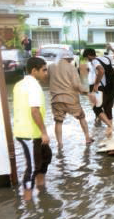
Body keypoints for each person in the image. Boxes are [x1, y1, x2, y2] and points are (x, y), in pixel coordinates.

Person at [13, 57, 52, 201]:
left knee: (46, 156)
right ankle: (28, 202)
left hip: (29, 132)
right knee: (33, 166)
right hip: (29, 133)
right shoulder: (34, 86)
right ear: (34, 71)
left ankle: (41, 187)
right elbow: (34, 111)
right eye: (44, 70)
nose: (46, 73)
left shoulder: (19, 84)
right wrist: (44, 133)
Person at [48, 50, 93, 147]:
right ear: (68, 58)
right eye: (71, 59)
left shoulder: (51, 67)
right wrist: (87, 92)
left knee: (58, 121)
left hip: (56, 99)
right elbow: (76, 85)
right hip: (70, 99)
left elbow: (47, 79)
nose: (71, 60)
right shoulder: (71, 68)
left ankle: (59, 143)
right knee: (81, 117)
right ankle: (87, 138)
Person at [83, 47, 114, 137]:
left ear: (89, 55)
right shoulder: (106, 57)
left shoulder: (94, 61)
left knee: (96, 107)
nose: (87, 60)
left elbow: (101, 70)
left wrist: (96, 85)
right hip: (110, 87)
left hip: (100, 87)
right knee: (108, 107)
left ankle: (110, 126)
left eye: (86, 57)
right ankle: (110, 133)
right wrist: (112, 48)